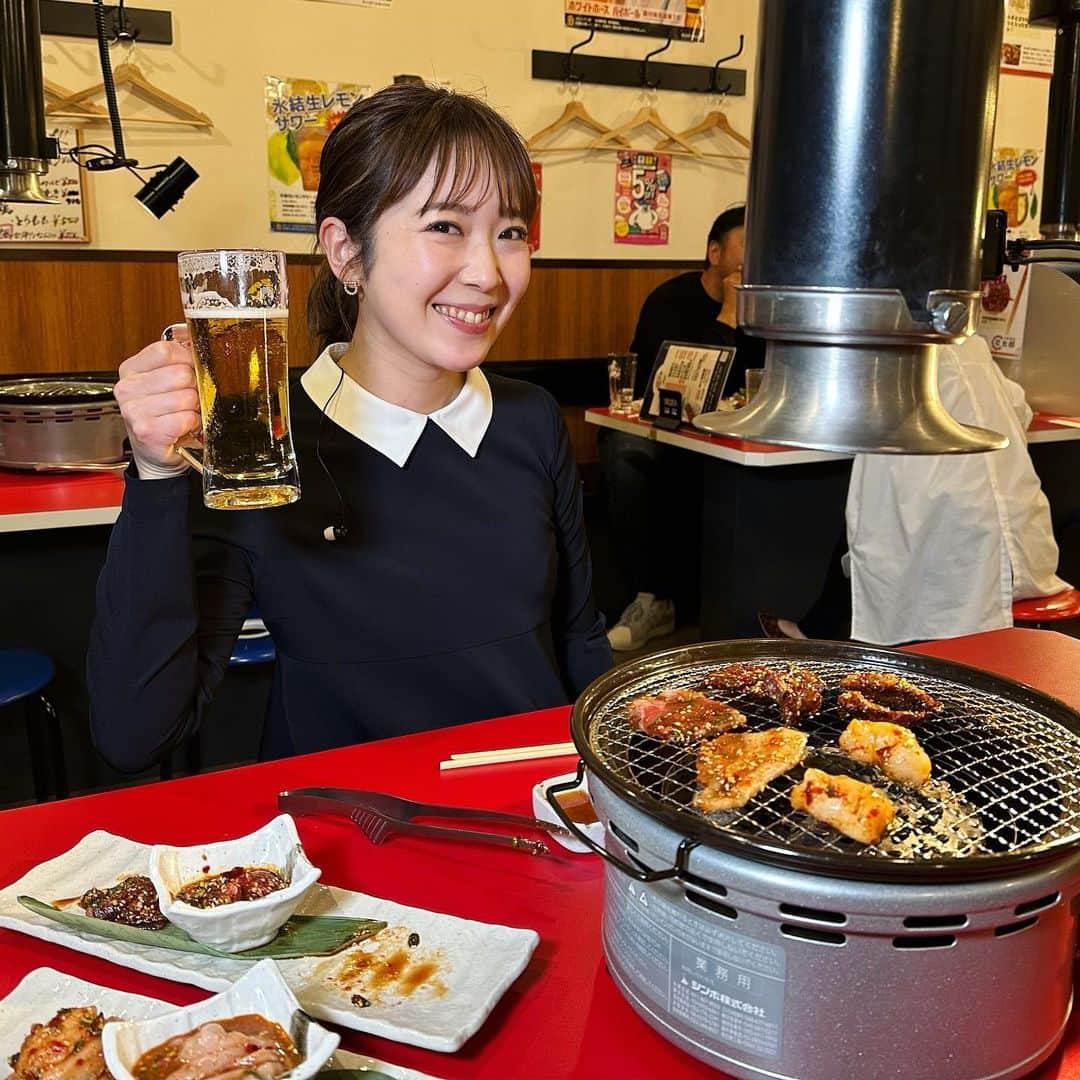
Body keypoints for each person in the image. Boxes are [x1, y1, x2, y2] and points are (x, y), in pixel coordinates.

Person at [87, 83, 612, 772]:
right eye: (445, 226)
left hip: (532, 812)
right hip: (349, 835)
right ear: (346, 252)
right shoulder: (259, 443)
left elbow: (581, 642)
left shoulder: (529, 416)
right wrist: (156, 476)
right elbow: (135, 732)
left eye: (510, 233)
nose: (488, 273)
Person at [763, 333, 1070, 644]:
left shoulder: (891, 344)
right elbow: (1020, 408)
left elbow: (843, 412)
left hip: (949, 522)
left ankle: (831, 636)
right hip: (1020, 527)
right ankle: (819, 627)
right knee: (863, 534)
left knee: (874, 534)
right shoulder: (970, 343)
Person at [602, 206, 763, 651]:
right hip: (668, 436)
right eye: (747, 246)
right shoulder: (670, 301)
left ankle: (760, 611)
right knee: (625, 455)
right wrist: (728, 315)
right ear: (715, 252)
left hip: (741, 439)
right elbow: (674, 387)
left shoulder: (771, 309)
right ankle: (651, 598)